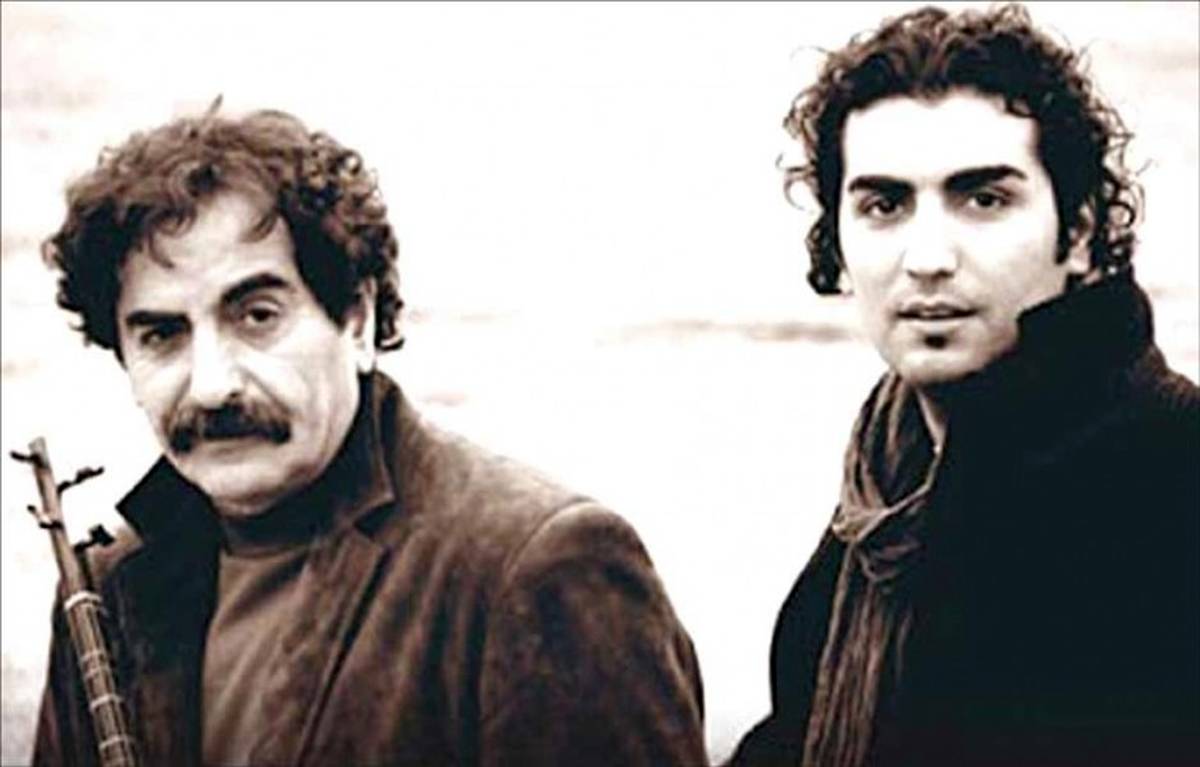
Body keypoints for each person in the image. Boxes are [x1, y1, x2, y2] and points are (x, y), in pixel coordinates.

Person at [32, 104, 706, 767]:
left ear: (357, 319)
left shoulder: (537, 567)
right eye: (162, 334)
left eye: (257, 315)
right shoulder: (107, 584)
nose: (211, 386)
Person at [729, 5, 1199, 767]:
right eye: (884, 205)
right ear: (837, 242)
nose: (927, 258)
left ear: (1080, 232)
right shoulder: (885, 497)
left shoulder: (1173, 483)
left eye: (983, 199)